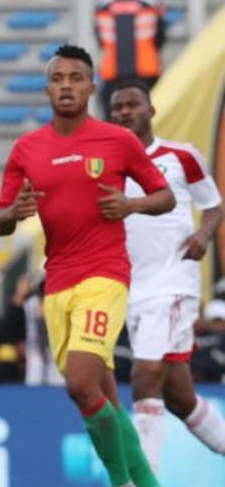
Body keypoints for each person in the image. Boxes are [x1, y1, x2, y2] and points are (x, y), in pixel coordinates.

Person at [0, 43, 174, 487]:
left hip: (105, 275)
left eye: (75, 78)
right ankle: (145, 483)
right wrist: (13, 213)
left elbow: (164, 195)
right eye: (58, 79)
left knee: (79, 383)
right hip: (58, 285)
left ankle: (119, 482)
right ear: (47, 89)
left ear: (91, 86)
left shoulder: (118, 141)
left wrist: (130, 203)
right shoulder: (26, 149)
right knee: (100, 395)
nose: (67, 86)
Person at [110, 80, 225, 468]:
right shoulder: (106, 165)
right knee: (180, 397)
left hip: (174, 281)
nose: (125, 112)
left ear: (150, 111)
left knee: (144, 376)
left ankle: (145, 478)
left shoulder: (180, 156)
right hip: (134, 289)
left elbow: (213, 205)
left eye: (132, 105)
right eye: (117, 107)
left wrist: (204, 236)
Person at [95, 0, 166, 118]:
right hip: (114, 73)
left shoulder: (149, 2)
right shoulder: (104, 3)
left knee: (147, 117)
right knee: (112, 117)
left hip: (144, 72)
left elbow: (160, 35)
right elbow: (100, 36)